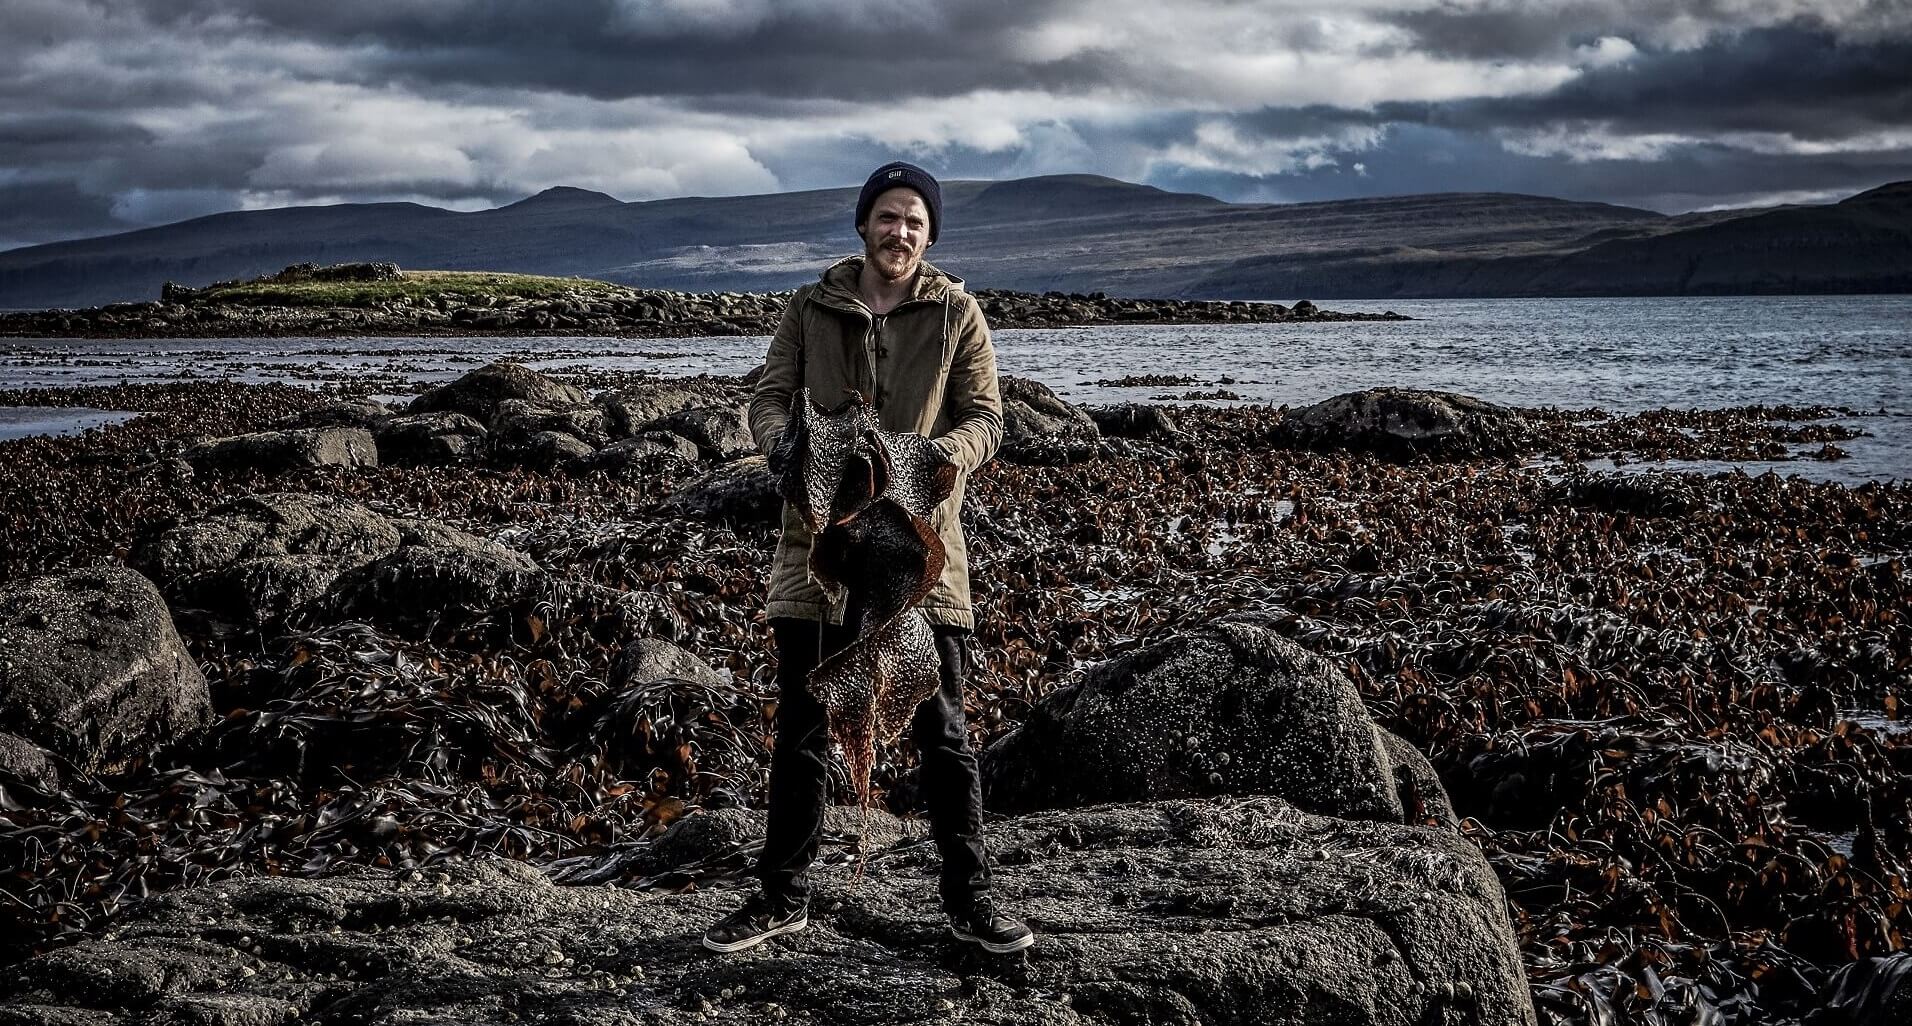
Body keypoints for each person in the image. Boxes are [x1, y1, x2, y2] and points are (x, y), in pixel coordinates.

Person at [702, 161, 1033, 955]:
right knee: (804, 727)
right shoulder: (811, 307)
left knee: (943, 730)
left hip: (918, 560)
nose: (902, 232)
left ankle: (971, 898)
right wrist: (790, 453)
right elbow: (769, 396)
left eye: (916, 221)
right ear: (863, 224)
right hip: (817, 556)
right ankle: (782, 895)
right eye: (889, 217)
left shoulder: (957, 314)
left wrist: (929, 462)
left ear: (931, 233)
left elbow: (988, 417)